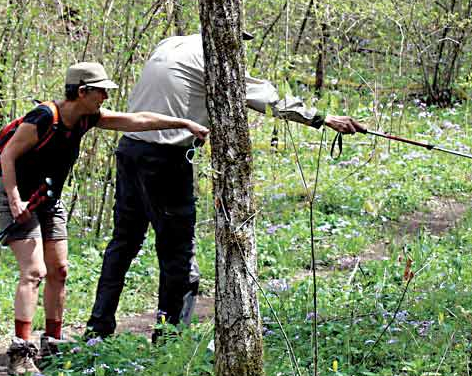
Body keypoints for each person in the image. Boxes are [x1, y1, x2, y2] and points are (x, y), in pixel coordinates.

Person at [85, 32, 364, 341]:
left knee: (123, 244)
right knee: (177, 253)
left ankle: (98, 329)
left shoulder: (171, 43)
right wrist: (323, 118)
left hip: (130, 150)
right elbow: (263, 98)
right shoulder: (214, 57)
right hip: (163, 160)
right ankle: (168, 339)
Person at [0, 61, 209, 376]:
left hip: (48, 199)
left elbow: (138, 120)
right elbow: (8, 155)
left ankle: (52, 344)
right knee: (34, 271)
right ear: (82, 91)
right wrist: (14, 200)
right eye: (100, 92)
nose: (105, 98)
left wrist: (184, 124)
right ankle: (20, 352)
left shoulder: (86, 119)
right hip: (19, 197)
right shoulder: (43, 118)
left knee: (60, 270)